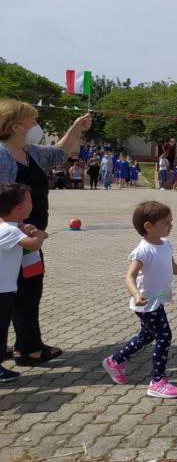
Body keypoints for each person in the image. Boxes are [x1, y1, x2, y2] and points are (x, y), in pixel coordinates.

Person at [0, 100, 91, 366]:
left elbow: (58, 154)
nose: (35, 125)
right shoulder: (3, 154)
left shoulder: (25, 150)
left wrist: (76, 128)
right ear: (16, 126)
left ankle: (28, 344)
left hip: (27, 236)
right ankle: (28, 349)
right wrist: (18, 230)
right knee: (22, 291)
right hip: (16, 238)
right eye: (31, 121)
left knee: (27, 289)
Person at [101, 201, 177, 398]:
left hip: (156, 301)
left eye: (171, 222)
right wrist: (135, 294)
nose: (171, 226)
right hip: (145, 303)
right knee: (164, 336)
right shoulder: (143, 250)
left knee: (147, 335)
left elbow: (176, 269)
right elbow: (129, 277)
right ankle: (157, 381)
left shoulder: (166, 244)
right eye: (166, 222)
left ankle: (115, 361)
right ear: (149, 226)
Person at [0, 184, 49, 381]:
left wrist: (24, 227)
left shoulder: (9, 227)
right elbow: (35, 243)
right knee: (1, 329)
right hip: (2, 290)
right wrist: (37, 233)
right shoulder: (9, 231)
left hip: (5, 288)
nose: (32, 203)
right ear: (19, 208)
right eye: (29, 200)